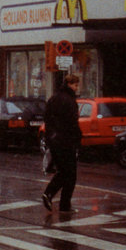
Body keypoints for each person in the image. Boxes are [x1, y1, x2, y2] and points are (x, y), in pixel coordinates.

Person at [42, 72, 82, 213]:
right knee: (70, 174)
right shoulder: (69, 101)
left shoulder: (53, 98)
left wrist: (49, 138)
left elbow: (47, 119)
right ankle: (63, 205)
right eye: (76, 85)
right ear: (70, 84)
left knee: (63, 172)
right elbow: (72, 123)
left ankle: (50, 194)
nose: (77, 88)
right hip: (66, 141)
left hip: (54, 140)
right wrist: (78, 139)